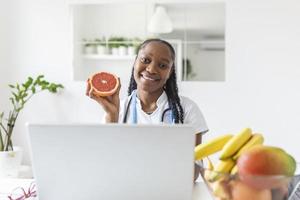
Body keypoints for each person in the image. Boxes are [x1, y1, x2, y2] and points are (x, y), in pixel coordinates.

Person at [86, 38, 208, 181]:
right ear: (135, 61)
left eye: (162, 65)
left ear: (170, 72)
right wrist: (111, 115)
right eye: (145, 60)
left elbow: (193, 171)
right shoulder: (119, 109)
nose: (151, 69)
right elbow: (105, 164)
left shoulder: (187, 109)